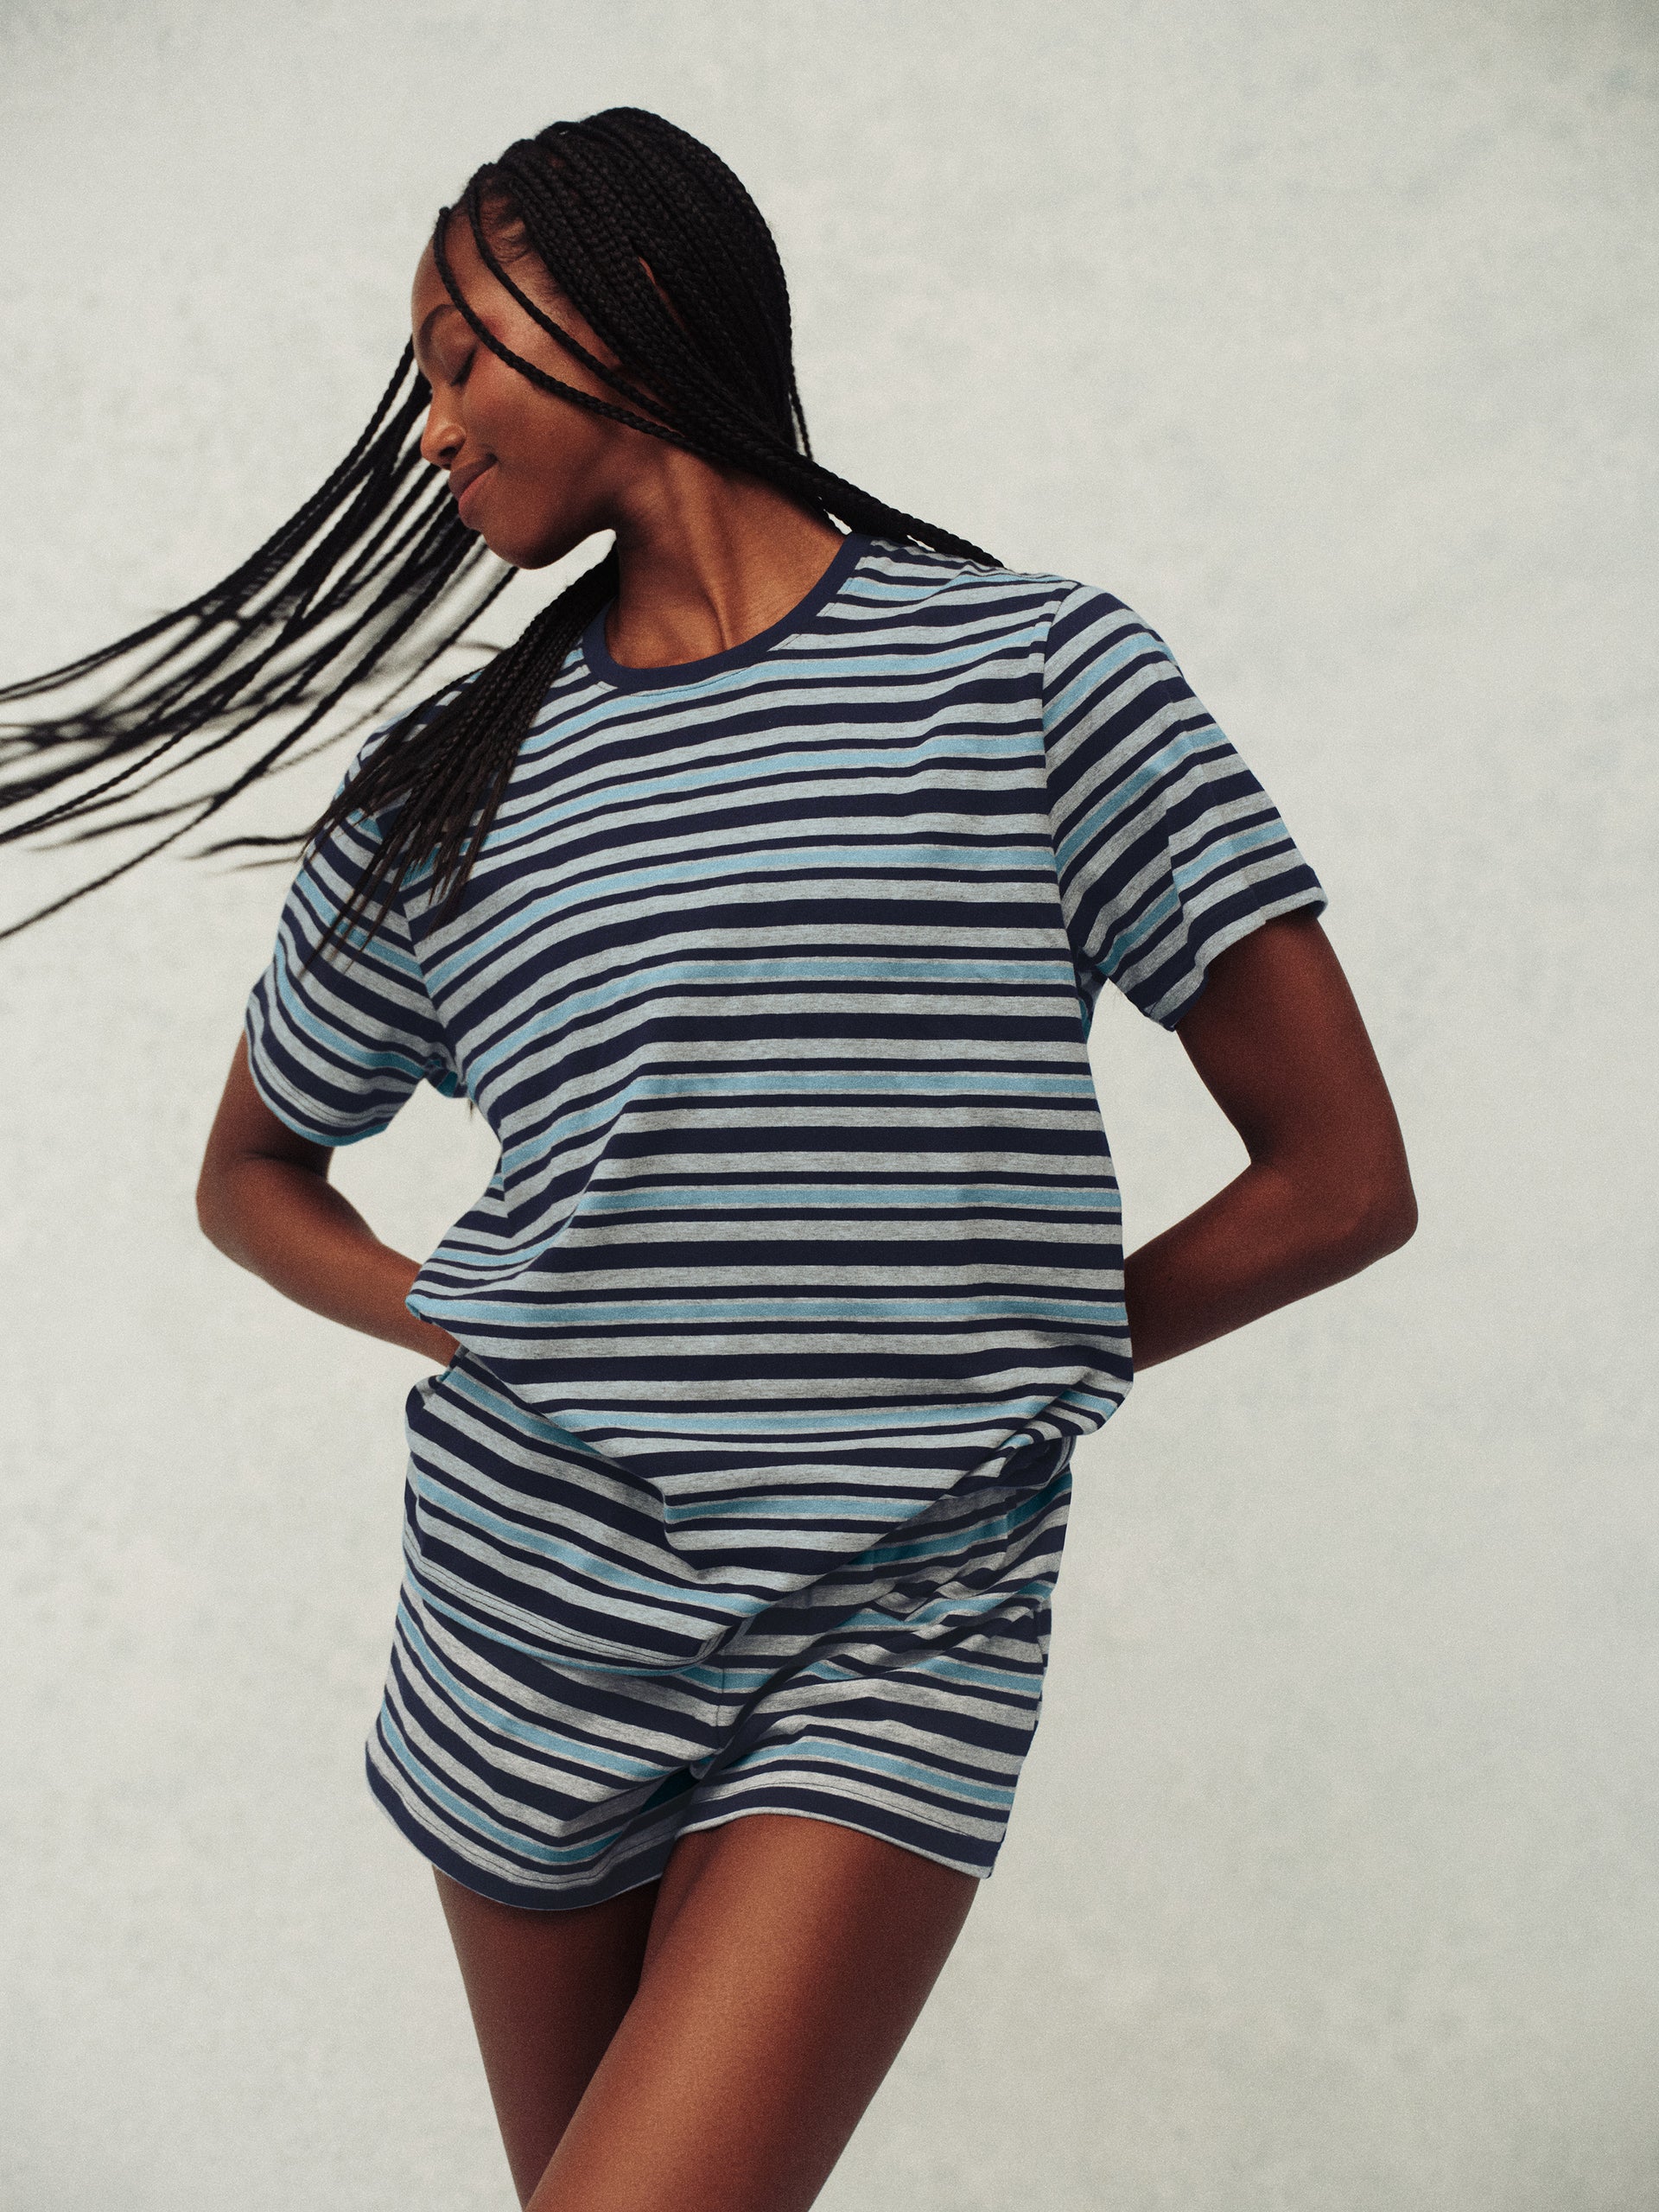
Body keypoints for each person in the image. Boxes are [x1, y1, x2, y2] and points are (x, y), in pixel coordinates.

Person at [0, 106, 1415, 2212]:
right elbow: (251, 1172)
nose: (431, 430)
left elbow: (1339, 1177)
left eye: (461, 357)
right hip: (524, 1617)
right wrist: (475, 1312)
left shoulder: (1032, 675)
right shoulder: (436, 796)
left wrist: (982, 1358)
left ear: (631, 301)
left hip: (892, 1620)